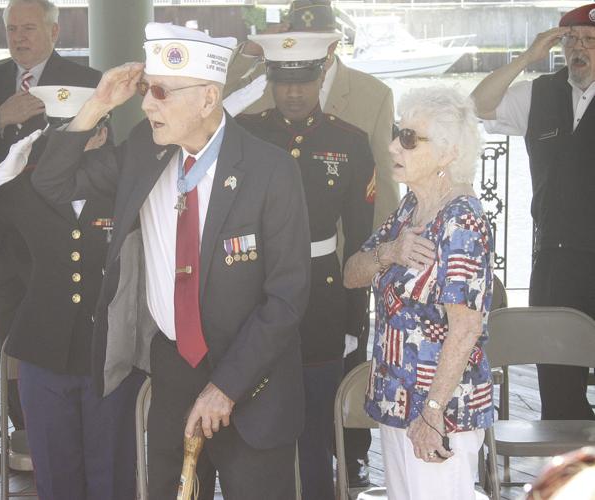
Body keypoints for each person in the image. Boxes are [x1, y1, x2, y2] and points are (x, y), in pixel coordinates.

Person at [32, 23, 311, 500]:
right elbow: (52, 183)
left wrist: (225, 386)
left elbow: (286, 299)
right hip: (175, 373)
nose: (145, 104)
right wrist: (97, 104)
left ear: (207, 98)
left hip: (252, 383)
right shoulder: (146, 151)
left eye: (160, 92)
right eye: (145, 90)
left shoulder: (270, 170)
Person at [225, 2, 396, 482]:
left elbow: (361, 238)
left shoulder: (351, 141)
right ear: (271, 83)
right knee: (258, 411)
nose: (294, 93)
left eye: (303, 82)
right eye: (283, 82)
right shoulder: (247, 136)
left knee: (320, 411)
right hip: (255, 292)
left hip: (322, 294)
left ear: (321, 79)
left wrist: (351, 314)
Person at [0, 97, 141, 499]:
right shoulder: (27, 188)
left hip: (108, 351)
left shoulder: (125, 190)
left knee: (112, 473)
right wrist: (1, 175)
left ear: (102, 133)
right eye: (60, 133)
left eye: (81, 131)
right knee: (54, 474)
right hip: (43, 351)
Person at [0, 0, 103, 469]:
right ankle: (25, 439)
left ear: (54, 31)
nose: (19, 38)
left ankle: (66, 435)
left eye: (29, 28)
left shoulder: (85, 79)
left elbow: (100, 151)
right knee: (9, 343)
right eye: (12, 29)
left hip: (58, 237)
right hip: (0, 237)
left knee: (62, 339)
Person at [343, 87, 494, 500]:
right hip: (397, 404)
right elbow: (351, 273)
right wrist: (390, 251)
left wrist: (431, 415)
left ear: (447, 154)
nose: (394, 145)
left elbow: (465, 329)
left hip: (441, 412)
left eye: (409, 138)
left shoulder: (461, 222)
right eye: (396, 133)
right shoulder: (411, 208)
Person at [471, 3, 595, 422]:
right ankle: (571, 480)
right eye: (572, 40)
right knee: (559, 389)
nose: (580, 49)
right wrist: (526, 59)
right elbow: (480, 105)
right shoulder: (541, 92)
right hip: (554, 261)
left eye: (591, 41)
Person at [225, 0, 397, 232]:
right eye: (302, 39)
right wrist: (250, 51)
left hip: (337, 250)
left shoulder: (374, 95)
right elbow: (208, 103)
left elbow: (385, 182)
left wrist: (379, 253)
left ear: (334, 43)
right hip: (269, 247)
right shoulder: (261, 83)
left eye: (319, 40)